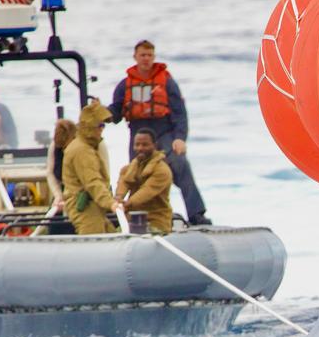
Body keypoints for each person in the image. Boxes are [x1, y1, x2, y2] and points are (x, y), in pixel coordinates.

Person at [109, 39, 210, 225]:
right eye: (142, 55)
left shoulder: (166, 82)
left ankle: (196, 214)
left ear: (154, 57)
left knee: (180, 166)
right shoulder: (125, 85)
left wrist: (180, 138)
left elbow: (179, 112)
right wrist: (103, 114)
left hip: (164, 133)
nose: (146, 59)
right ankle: (131, 215)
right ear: (135, 57)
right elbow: (116, 111)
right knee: (135, 174)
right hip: (138, 134)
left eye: (149, 55)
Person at [61, 100, 121, 234]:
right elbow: (92, 182)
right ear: (90, 126)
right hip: (85, 208)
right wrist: (111, 203)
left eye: (103, 126)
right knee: (95, 239)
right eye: (100, 125)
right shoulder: (82, 151)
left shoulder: (87, 147)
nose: (102, 129)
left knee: (111, 234)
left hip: (93, 206)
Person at [114, 128, 173, 234]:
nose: (140, 148)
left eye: (145, 145)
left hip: (156, 220)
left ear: (154, 145)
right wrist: (118, 198)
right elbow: (124, 182)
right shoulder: (128, 168)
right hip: (132, 220)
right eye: (137, 145)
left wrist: (127, 204)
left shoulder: (162, 171)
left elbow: (146, 192)